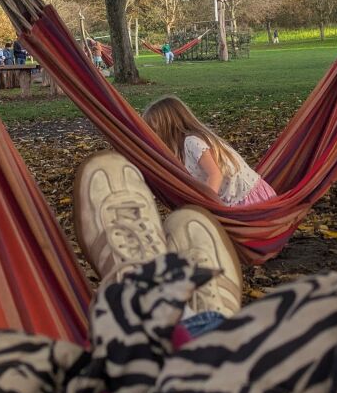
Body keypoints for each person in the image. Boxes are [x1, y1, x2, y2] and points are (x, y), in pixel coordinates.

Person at [73, 150, 240, 332]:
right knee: (219, 338)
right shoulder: (189, 144)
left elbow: (216, 173)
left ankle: (141, 294)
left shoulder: (192, 143)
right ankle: (212, 322)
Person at [142, 95, 277, 207]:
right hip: (231, 200)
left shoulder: (192, 142)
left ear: (169, 127)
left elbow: (215, 175)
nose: (153, 137)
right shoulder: (178, 150)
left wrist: (205, 207)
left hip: (249, 200)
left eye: (154, 131)